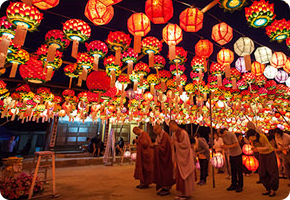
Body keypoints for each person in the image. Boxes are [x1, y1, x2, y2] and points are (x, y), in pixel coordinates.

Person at [247, 129, 279, 197]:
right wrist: (253, 148)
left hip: (269, 154)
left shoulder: (262, 137)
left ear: (255, 134)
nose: (251, 138)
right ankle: (268, 188)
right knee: (262, 172)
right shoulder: (252, 139)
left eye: (251, 136)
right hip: (261, 155)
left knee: (272, 172)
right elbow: (254, 146)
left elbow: (267, 147)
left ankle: (273, 189)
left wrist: (258, 149)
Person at [170, 120, 195, 200]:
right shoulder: (174, 134)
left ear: (175, 125)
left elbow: (186, 145)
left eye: (171, 126)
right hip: (179, 158)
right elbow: (173, 145)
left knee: (185, 176)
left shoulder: (183, 133)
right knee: (179, 176)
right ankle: (180, 193)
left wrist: (176, 144)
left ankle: (186, 194)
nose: (170, 128)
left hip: (185, 157)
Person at [151, 124, 175, 196]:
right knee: (160, 172)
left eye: (155, 130)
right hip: (161, 159)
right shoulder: (159, 136)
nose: (154, 132)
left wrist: (156, 146)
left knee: (166, 173)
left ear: (159, 128)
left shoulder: (165, 136)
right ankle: (163, 187)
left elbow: (164, 147)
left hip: (166, 158)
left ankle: (166, 187)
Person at [219, 128, 243, 193]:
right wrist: (223, 146)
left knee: (239, 170)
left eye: (221, 135)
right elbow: (226, 144)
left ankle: (240, 185)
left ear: (224, 132)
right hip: (231, 154)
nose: (221, 137)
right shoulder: (222, 137)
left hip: (237, 153)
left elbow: (236, 144)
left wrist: (227, 146)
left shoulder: (231, 134)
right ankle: (233, 184)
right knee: (233, 170)